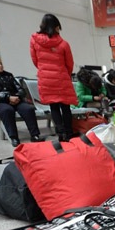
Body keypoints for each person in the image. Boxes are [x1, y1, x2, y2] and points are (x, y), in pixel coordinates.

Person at [30, 13, 78, 141]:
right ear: (57, 27)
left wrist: (44, 71)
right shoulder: (63, 44)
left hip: (45, 78)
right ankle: (68, 132)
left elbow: (35, 61)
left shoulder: (35, 41)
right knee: (65, 106)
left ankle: (60, 133)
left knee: (54, 106)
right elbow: (70, 63)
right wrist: (64, 74)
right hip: (61, 77)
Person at [0, 57, 42, 147]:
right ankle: (14, 137)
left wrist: (16, 97)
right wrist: (7, 97)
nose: (0, 65)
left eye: (1, 63)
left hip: (16, 100)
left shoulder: (8, 75)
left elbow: (21, 90)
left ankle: (35, 135)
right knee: (7, 110)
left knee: (28, 109)